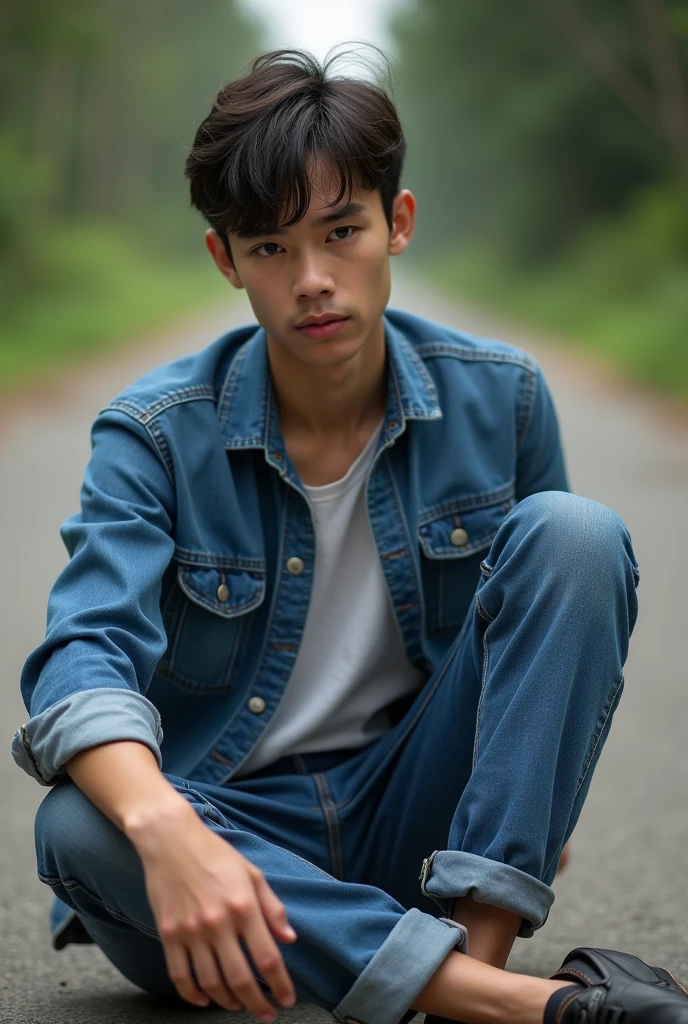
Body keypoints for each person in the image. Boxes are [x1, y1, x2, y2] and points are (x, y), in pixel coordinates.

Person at [12, 45, 688, 1024]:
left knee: (575, 534)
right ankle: (515, 1004)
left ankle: (478, 972)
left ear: (396, 223)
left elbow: (545, 664)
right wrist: (167, 830)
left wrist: (519, 809)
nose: (314, 279)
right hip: (231, 842)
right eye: (272, 248)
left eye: (341, 231)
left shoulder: (502, 399)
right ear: (226, 259)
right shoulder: (154, 432)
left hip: (414, 821)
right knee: (82, 825)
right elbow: (83, 658)